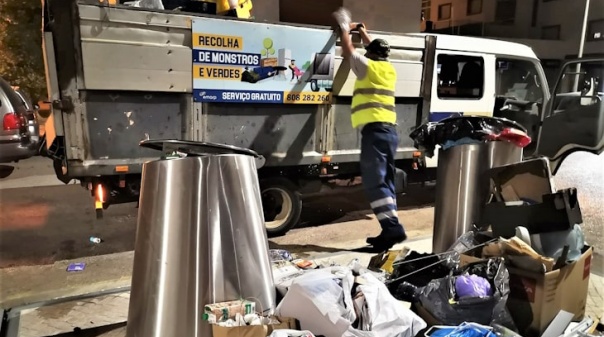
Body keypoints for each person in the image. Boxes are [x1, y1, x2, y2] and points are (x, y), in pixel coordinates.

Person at [332, 8, 407, 251]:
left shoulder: (366, 67)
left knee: (375, 181)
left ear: (371, 54)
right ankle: (389, 229)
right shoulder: (388, 68)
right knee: (386, 181)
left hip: (375, 132)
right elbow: (370, 48)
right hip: (389, 132)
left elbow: (348, 49)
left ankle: (392, 228)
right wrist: (364, 32)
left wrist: (345, 27)